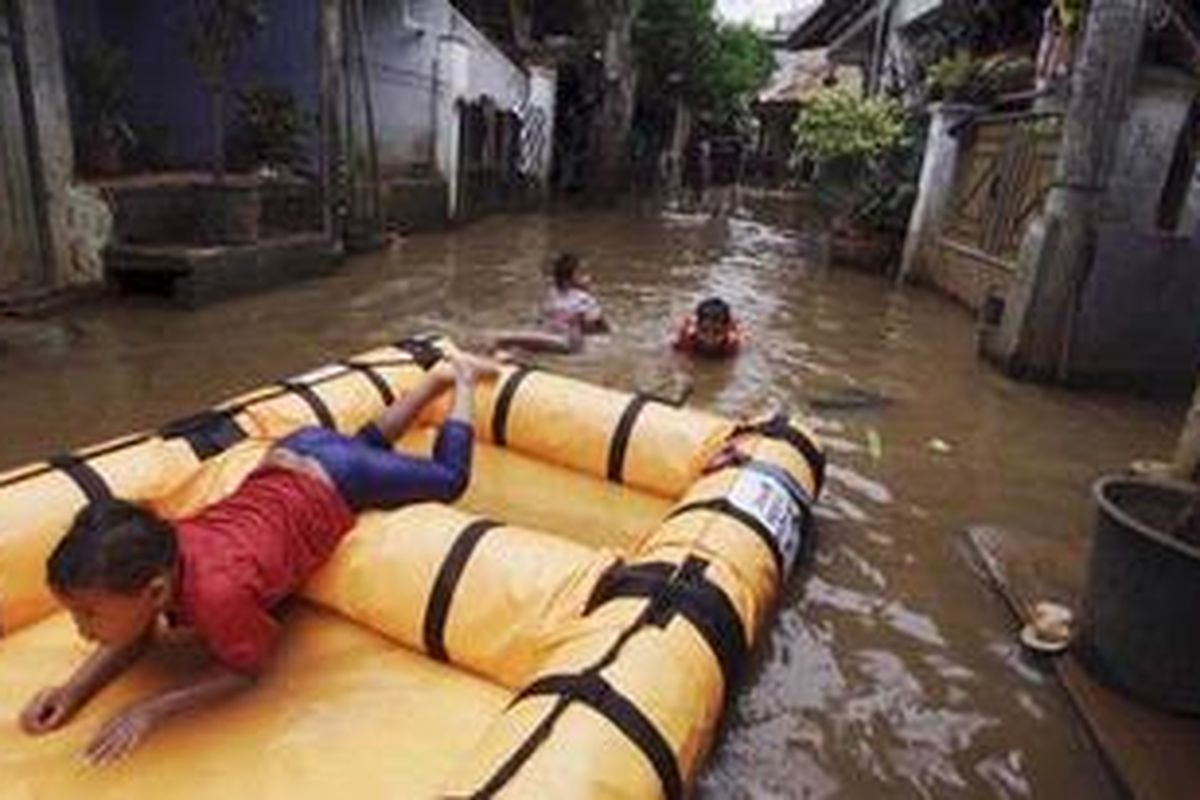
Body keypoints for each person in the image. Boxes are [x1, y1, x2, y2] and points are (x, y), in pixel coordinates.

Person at [18, 352, 500, 765]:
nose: (82, 629)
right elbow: (136, 632)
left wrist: (154, 709)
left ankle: (458, 379)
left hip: (331, 476)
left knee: (449, 477)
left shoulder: (216, 595)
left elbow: (246, 669)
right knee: (365, 446)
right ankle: (433, 379)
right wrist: (72, 691)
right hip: (291, 455)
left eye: (88, 612)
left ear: (157, 592)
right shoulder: (158, 549)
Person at [487, 252, 609, 355]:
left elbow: (600, 327)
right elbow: (601, 328)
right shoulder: (579, 297)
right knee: (519, 343)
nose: (588, 278)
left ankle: (495, 346)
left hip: (566, 343)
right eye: (582, 274)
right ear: (569, 278)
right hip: (557, 341)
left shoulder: (568, 297)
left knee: (509, 338)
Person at [672, 297, 742, 359]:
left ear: (726, 330)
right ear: (697, 327)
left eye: (717, 332)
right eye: (704, 330)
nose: (710, 338)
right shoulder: (685, 337)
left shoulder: (733, 343)